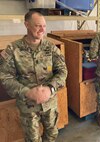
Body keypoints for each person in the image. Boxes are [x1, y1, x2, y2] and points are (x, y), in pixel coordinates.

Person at [0, 11, 67, 141]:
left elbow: (62, 71)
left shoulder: (51, 48)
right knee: (32, 139)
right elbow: (5, 76)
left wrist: (50, 88)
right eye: (37, 26)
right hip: (28, 107)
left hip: (50, 103)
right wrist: (27, 92)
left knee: (52, 134)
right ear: (27, 25)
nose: (42, 29)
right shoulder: (13, 49)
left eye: (44, 26)